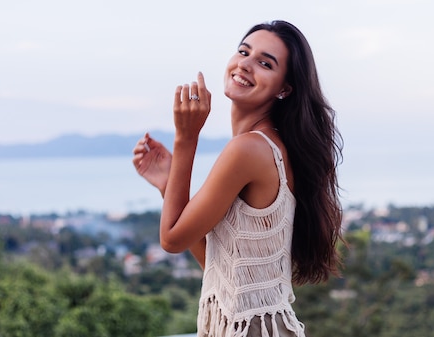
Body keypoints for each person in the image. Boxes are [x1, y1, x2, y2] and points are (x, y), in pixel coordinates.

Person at [132, 20, 344, 337]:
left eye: (264, 63)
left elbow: (171, 240)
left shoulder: (249, 149)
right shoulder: (264, 146)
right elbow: (221, 266)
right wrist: (167, 185)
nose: (245, 64)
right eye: (244, 51)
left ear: (284, 88)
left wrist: (186, 139)